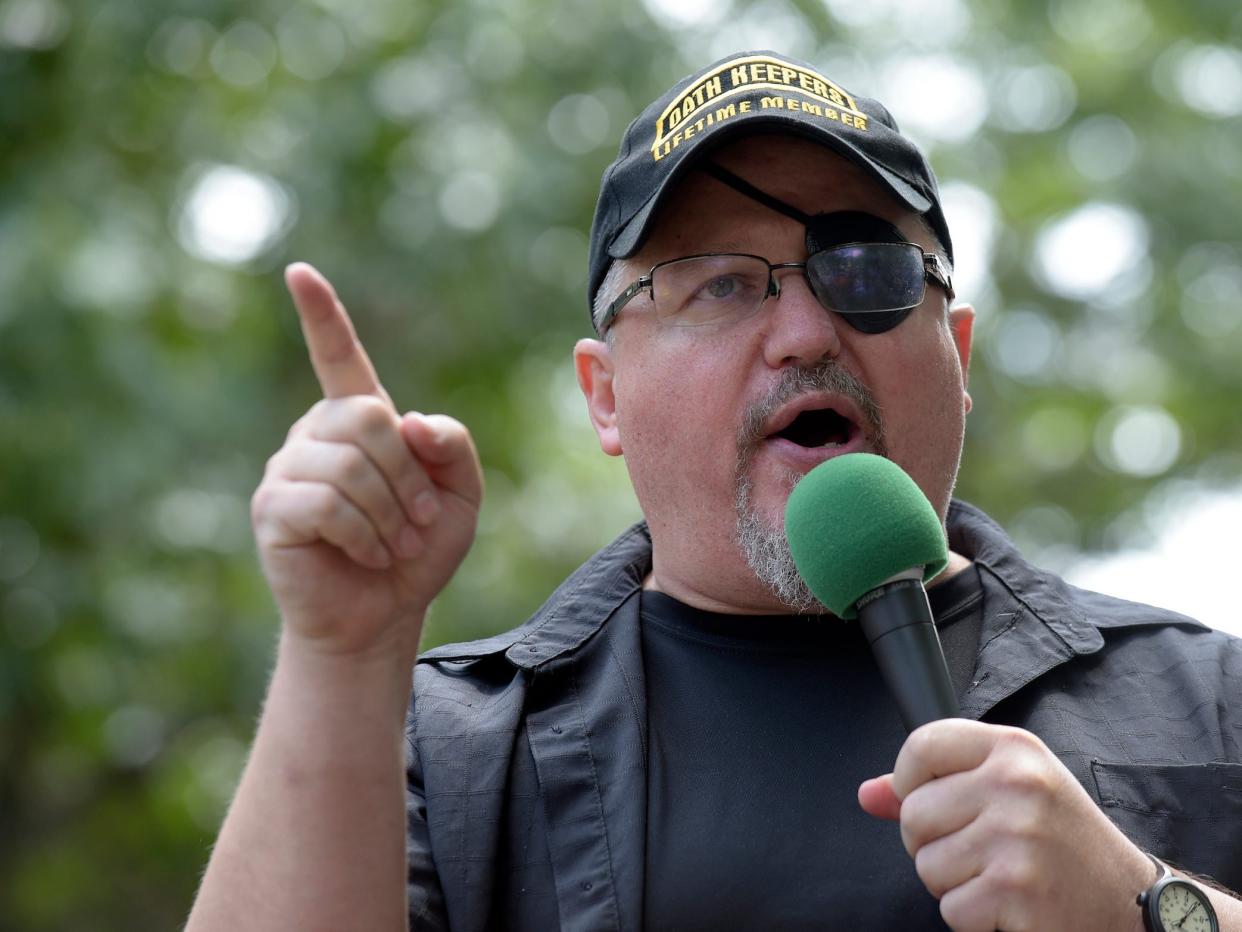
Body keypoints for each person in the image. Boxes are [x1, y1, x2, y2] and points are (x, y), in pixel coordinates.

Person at [187, 50, 1242, 931]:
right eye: (722, 283)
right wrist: (342, 654)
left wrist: (1147, 905)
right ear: (605, 395)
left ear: (958, 357)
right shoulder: (453, 752)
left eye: (867, 269)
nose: (804, 333)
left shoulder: (1207, 701)